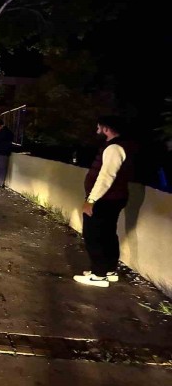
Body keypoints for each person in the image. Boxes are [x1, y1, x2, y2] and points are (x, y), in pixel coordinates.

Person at [74, 116, 136, 288]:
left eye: (99, 127)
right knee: (108, 234)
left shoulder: (114, 148)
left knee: (94, 235)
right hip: (113, 198)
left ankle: (99, 275)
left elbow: (106, 177)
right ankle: (108, 270)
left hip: (105, 199)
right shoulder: (119, 146)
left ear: (106, 129)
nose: (97, 131)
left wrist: (91, 200)